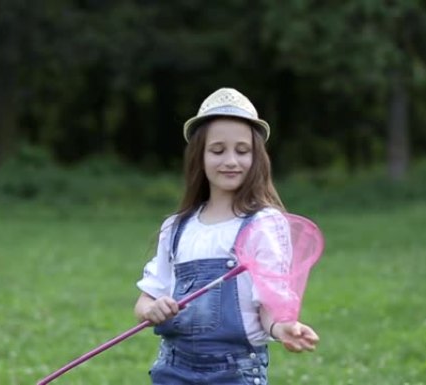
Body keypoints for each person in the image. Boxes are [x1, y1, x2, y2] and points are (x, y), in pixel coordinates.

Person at [134, 87, 319, 385]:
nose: (231, 160)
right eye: (218, 150)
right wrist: (152, 310)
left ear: (256, 157)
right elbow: (145, 301)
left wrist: (283, 327)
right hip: (172, 369)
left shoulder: (264, 225)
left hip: (234, 373)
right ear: (200, 156)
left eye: (242, 151)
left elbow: (269, 308)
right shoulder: (176, 228)